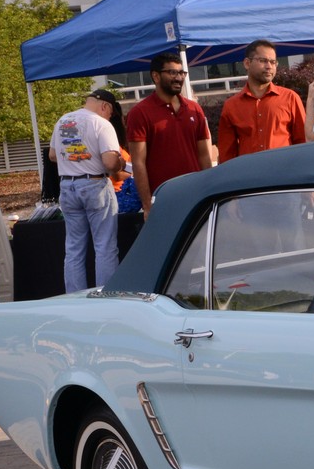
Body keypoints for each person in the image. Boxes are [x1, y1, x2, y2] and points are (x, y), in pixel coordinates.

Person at [54, 88, 127, 294]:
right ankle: (106, 296)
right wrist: (120, 162)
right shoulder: (101, 123)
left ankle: (74, 297)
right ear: (105, 106)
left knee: (74, 249)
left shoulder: (62, 121)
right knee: (104, 247)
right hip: (94, 185)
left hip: (67, 185)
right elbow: (110, 162)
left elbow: (52, 155)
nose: (109, 117)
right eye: (111, 113)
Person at [124, 52, 211, 214]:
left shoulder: (194, 109)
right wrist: (147, 205)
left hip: (195, 195)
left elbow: (204, 156)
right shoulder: (140, 113)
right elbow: (138, 163)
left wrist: (209, 192)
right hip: (162, 198)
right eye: (172, 72)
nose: (179, 78)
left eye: (181, 73)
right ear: (156, 76)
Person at [215, 39, 306, 162]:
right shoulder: (231, 106)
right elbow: (227, 153)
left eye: (273, 62)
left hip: (285, 174)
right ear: (247, 63)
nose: (269, 66)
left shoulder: (290, 98)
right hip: (249, 177)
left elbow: (303, 141)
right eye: (263, 61)